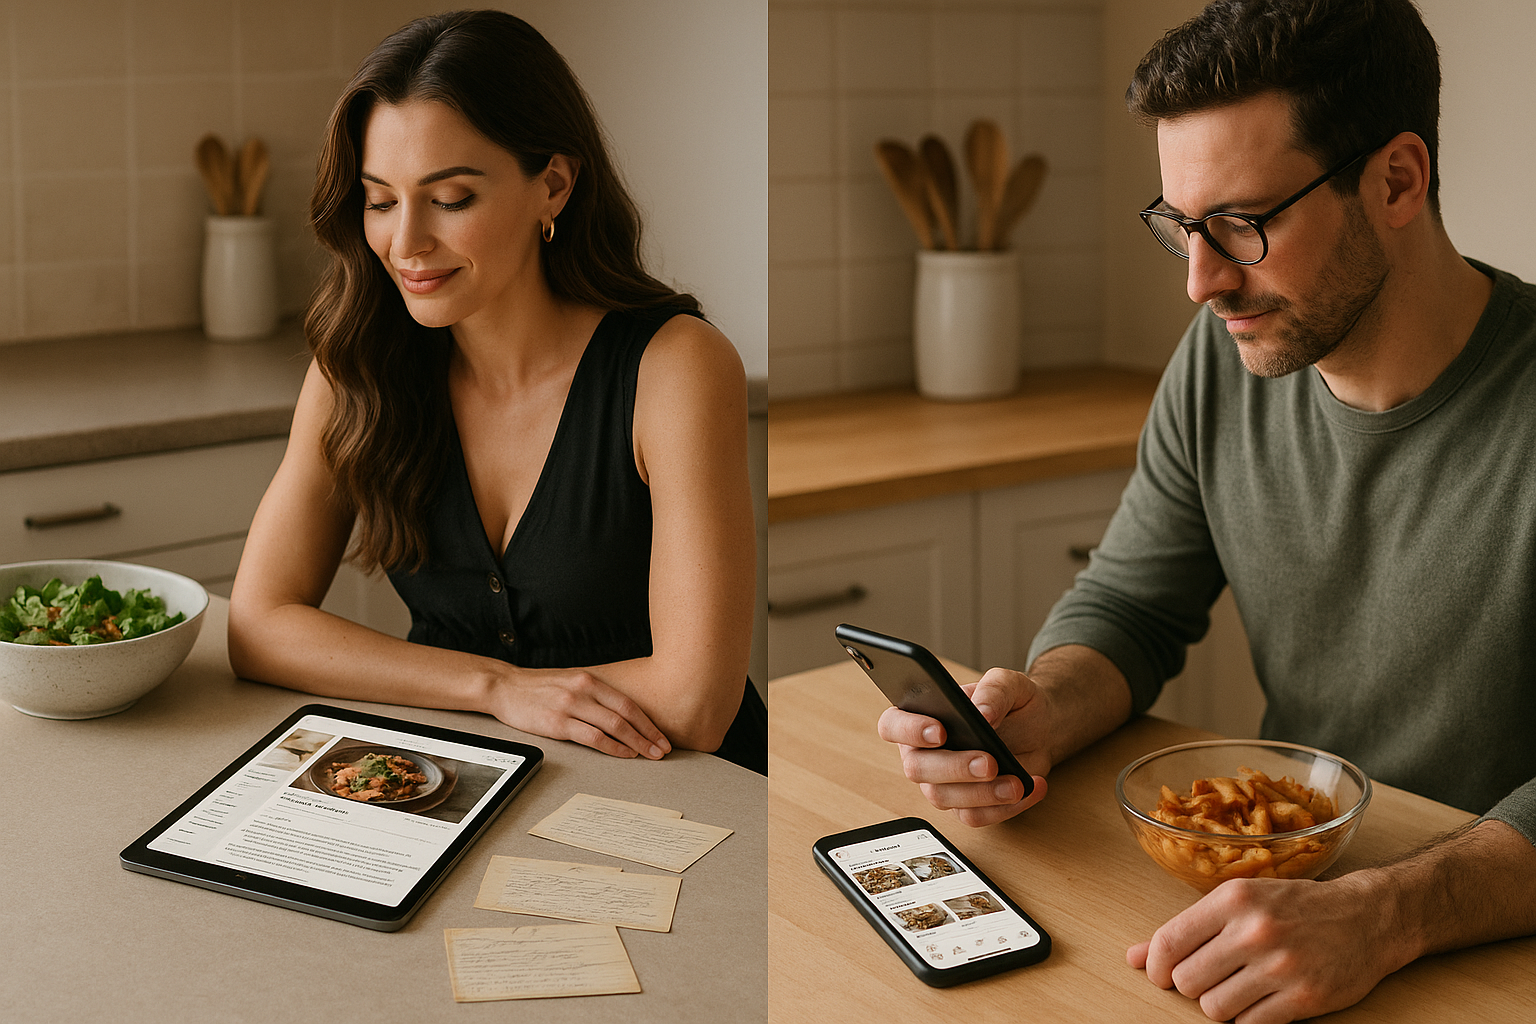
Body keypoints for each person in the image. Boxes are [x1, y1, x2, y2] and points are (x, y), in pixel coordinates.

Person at [878, 0, 1536, 1019]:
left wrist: (1387, 911)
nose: (1200, 280)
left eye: (1241, 224)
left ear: (1398, 179)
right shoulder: (1227, 359)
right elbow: (1135, 606)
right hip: (1298, 913)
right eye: (1181, 226)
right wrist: (1045, 706)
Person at [227, 10, 765, 775]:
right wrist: (494, 688)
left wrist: (484, 691)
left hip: (686, 791)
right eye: (380, 200)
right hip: (458, 779)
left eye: (449, 199)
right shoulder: (359, 363)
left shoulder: (675, 366)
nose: (406, 243)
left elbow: (696, 705)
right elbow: (259, 628)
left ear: (552, 185)